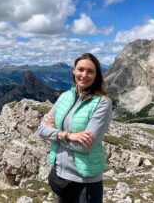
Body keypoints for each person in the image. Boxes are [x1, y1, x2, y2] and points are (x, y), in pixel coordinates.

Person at [37, 53, 112, 203]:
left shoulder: (102, 103)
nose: (84, 75)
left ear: (97, 75)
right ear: (74, 71)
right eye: (81, 69)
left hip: (85, 180)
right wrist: (67, 135)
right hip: (61, 175)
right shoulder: (65, 96)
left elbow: (84, 146)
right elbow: (41, 129)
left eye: (90, 71)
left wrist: (54, 133)